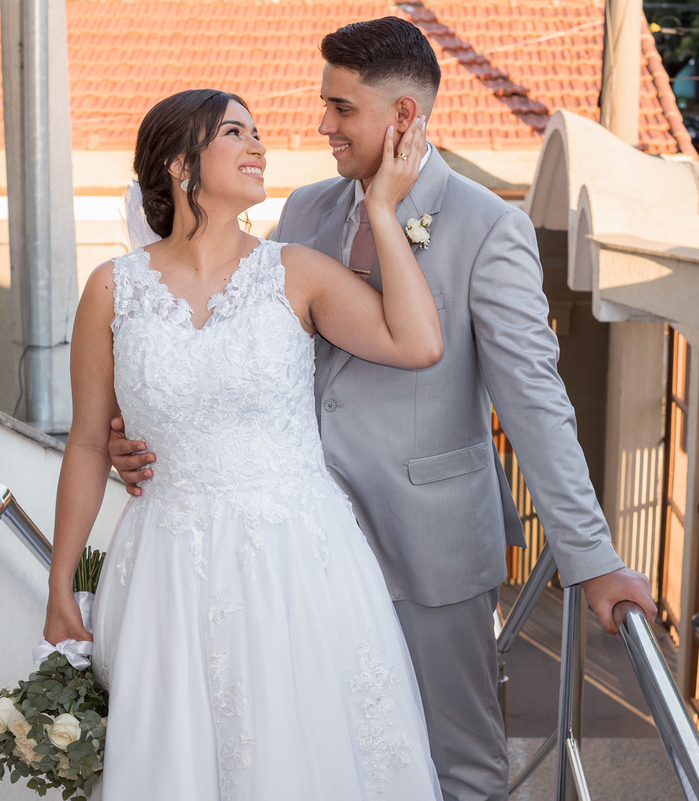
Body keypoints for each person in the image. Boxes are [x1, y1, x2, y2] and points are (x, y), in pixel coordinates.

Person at [107, 18, 658, 801]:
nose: (321, 124)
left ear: (403, 118)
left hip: (424, 546)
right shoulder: (303, 212)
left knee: (457, 762)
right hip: (293, 558)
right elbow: (233, 342)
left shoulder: (486, 228)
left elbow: (537, 404)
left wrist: (592, 558)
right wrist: (130, 429)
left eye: (341, 108)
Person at [44, 88, 445, 799]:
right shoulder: (112, 289)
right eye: (236, 132)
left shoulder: (297, 272)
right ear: (179, 163)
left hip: (294, 562)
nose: (259, 145)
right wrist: (60, 584)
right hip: (166, 563)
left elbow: (415, 341)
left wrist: (383, 208)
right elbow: (84, 442)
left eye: (258, 133)